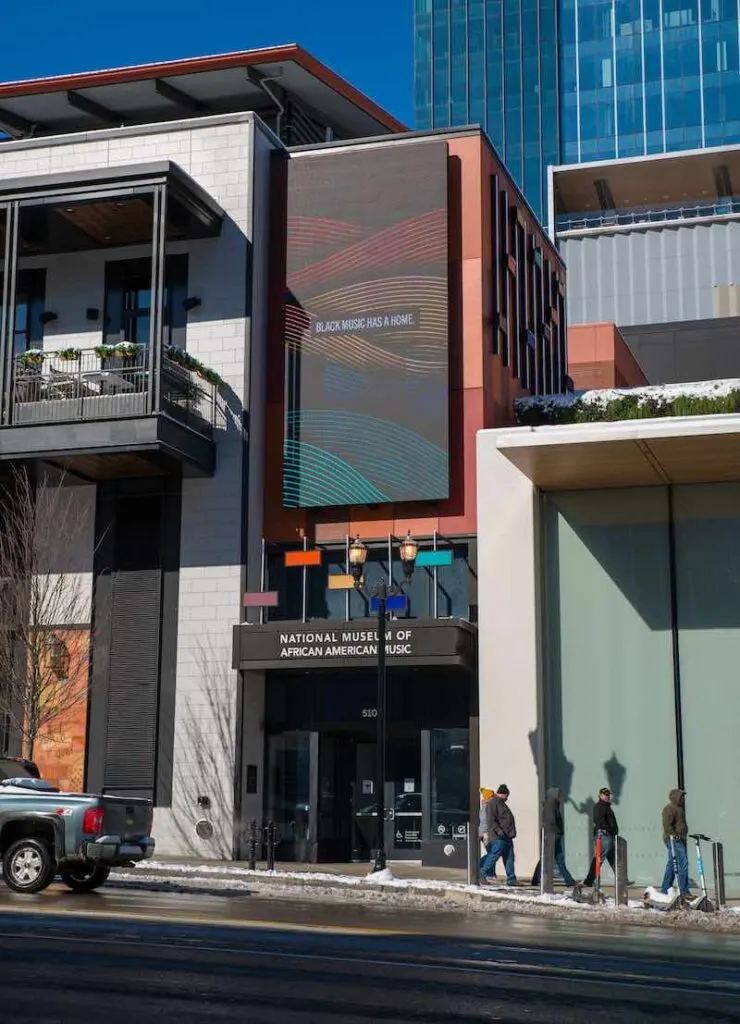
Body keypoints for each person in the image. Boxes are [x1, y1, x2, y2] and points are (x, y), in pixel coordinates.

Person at [531, 788, 575, 888]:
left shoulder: (553, 805)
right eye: (558, 795)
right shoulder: (550, 806)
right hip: (551, 836)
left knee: (558, 859)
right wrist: (556, 833)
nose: (559, 797)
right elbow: (551, 822)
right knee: (546, 859)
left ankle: (569, 880)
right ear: (553, 795)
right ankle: (535, 879)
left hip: (555, 836)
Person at [481, 784, 517, 886]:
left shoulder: (501, 803)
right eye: (507, 795)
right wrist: (499, 831)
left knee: (509, 857)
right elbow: (491, 820)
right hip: (498, 837)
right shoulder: (494, 803)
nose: (507, 798)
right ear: (503, 794)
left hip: (507, 836)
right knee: (494, 855)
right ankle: (482, 873)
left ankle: (511, 878)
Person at [582, 787, 618, 887]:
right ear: (600, 795)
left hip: (608, 836)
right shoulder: (600, 806)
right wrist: (607, 829)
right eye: (605, 795)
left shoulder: (606, 806)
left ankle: (622, 879)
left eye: (608, 795)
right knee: (599, 858)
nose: (607, 796)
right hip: (604, 836)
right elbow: (598, 820)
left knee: (614, 859)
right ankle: (589, 881)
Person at [659, 788, 691, 900]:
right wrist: (673, 834)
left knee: (672, 865)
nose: (683, 799)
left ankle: (664, 889)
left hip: (680, 839)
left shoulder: (680, 808)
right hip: (673, 839)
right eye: (681, 797)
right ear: (675, 797)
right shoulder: (669, 809)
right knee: (683, 864)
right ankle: (684, 891)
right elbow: (667, 825)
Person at [478, 788, 497, 879]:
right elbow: (486, 822)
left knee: (492, 852)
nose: (494, 798)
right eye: (492, 797)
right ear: (489, 798)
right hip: (486, 834)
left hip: (484, 833)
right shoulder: (487, 807)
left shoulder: (485, 806)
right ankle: (478, 864)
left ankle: (491, 873)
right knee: (492, 853)